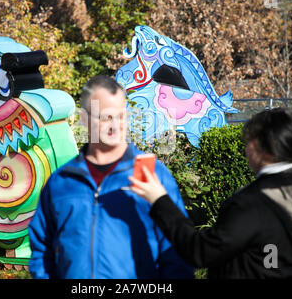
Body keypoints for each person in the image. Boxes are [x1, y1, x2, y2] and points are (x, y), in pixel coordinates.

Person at [130, 107, 292, 278]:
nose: (246, 148)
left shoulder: (252, 204)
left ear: (261, 147)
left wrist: (159, 199)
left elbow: (200, 251)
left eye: (249, 141)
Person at [28, 75, 194, 279]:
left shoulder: (153, 175)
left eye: (121, 116)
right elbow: (41, 250)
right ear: (84, 118)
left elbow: (177, 251)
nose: (115, 126)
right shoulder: (61, 182)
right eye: (106, 117)